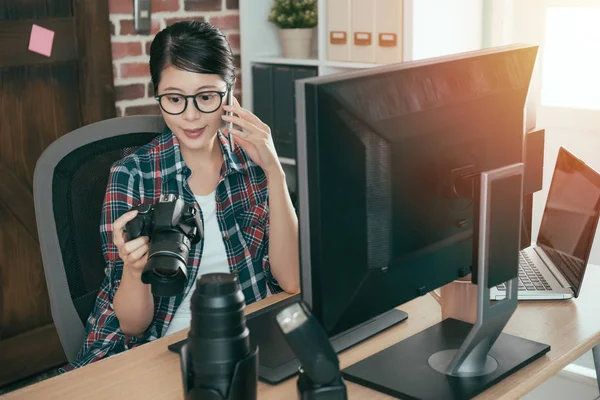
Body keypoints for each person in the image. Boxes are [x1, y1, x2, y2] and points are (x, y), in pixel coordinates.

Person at [61, 20, 299, 371]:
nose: (190, 115)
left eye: (206, 97)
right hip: (160, 346)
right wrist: (132, 267)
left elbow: (292, 280)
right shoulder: (132, 175)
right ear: (158, 95)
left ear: (230, 94)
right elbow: (133, 325)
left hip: (246, 338)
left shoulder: (252, 165)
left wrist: (275, 172)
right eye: (174, 98)